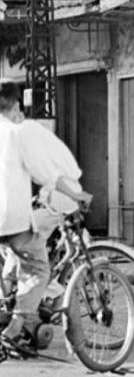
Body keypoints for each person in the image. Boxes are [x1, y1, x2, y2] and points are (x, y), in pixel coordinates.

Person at [0, 79, 92, 345]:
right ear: (16, 104)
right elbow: (48, 174)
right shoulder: (16, 134)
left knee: (16, 262)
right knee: (39, 269)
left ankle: (19, 319)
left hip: (19, 219)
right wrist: (76, 195)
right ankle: (16, 326)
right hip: (12, 221)